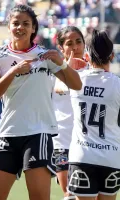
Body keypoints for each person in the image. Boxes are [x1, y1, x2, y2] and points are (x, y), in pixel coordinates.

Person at [0, 4, 82, 200]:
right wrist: (13, 72)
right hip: (7, 134)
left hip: (39, 134)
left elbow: (76, 84)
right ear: (9, 26)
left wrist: (61, 62)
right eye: (16, 23)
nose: (20, 27)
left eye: (26, 23)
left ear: (33, 28)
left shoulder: (45, 55)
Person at [67, 29, 120, 200]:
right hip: (112, 156)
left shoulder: (76, 79)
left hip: (82, 155)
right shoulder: (118, 85)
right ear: (112, 56)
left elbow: (57, 87)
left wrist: (69, 69)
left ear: (87, 57)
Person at [52, 26, 87, 200]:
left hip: (89, 144)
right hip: (63, 142)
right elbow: (59, 89)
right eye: (69, 43)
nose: (75, 47)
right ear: (61, 47)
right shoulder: (54, 72)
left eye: (78, 42)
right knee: (70, 195)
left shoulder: (92, 70)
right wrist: (69, 68)